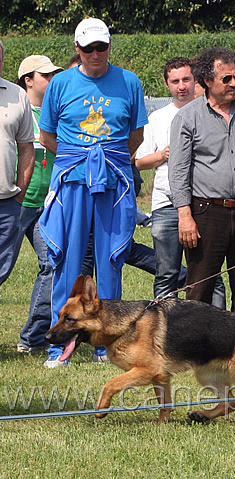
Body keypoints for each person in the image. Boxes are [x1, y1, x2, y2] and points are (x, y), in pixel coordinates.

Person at [38, 17, 148, 367]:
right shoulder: (60, 84)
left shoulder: (129, 81)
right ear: (77, 49)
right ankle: (60, 346)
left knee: (112, 259)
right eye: (88, 48)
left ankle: (107, 343)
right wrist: (81, 160)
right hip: (72, 181)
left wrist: (107, 161)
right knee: (67, 261)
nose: (96, 54)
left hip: (113, 182)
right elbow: (47, 137)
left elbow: (136, 137)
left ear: (109, 46)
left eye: (102, 47)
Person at [168, 47, 235, 329]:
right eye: (226, 79)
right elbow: (177, 172)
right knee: (199, 290)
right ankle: (195, 350)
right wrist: (184, 215)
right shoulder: (187, 118)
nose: (234, 83)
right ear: (206, 81)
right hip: (205, 214)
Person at [136, 57, 225, 307]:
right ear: (167, 85)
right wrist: (163, 155)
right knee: (166, 274)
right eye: (175, 81)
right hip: (166, 204)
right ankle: (166, 333)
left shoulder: (212, 113)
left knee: (210, 276)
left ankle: (216, 332)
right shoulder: (157, 118)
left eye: (186, 79)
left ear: (196, 80)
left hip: (205, 203)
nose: (181, 86)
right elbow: (140, 161)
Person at [13, 55, 63, 353]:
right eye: (45, 75)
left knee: (51, 264)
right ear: (27, 80)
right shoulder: (14, 110)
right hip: (15, 204)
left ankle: (32, 338)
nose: (52, 78)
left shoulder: (54, 114)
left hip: (45, 205)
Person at [0, 40, 36, 298]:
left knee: (2, 269)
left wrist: (19, 194)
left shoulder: (17, 95)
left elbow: (27, 149)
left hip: (7, 203)